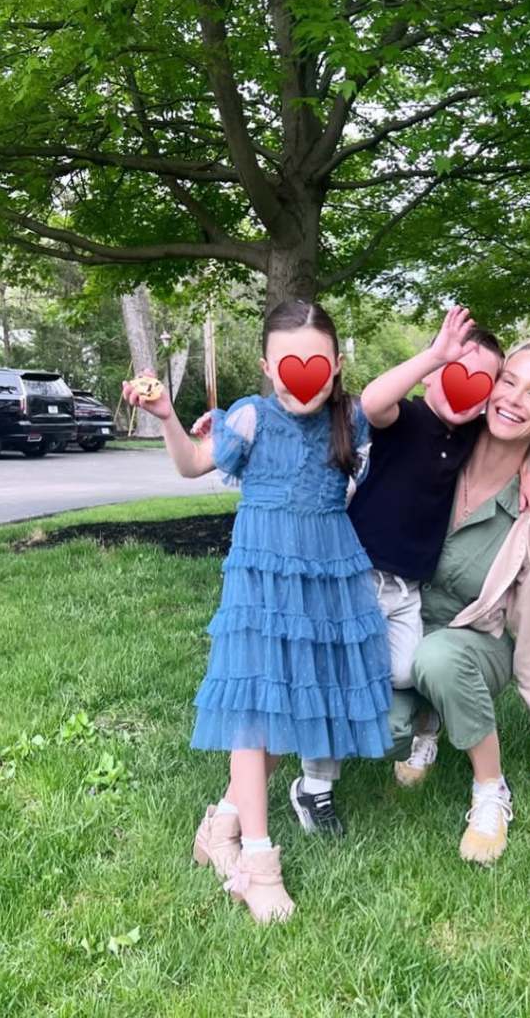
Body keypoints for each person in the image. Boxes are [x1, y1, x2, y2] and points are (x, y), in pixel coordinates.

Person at [122, 300, 392, 924]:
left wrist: (435, 357)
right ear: (269, 368)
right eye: (288, 364)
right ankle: (257, 863)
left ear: (335, 366)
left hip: (326, 574)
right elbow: (192, 464)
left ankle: (220, 822)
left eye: (316, 363)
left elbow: (384, 399)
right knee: (257, 711)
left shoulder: (350, 418)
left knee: (297, 710)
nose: (302, 375)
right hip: (263, 577)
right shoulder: (248, 418)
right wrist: (166, 416)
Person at [387, 337, 530, 864]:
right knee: (382, 730)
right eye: (508, 381)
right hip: (405, 624)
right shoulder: (440, 457)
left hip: (476, 644)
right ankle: (423, 722)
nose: (514, 399)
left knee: (438, 659)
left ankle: (490, 790)